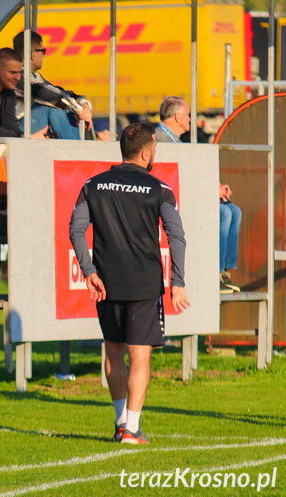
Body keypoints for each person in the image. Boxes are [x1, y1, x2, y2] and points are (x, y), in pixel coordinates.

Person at [69, 123, 190, 445]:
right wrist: (177, 282)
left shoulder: (92, 185)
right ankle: (132, 429)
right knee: (140, 355)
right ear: (147, 152)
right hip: (144, 282)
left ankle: (120, 422)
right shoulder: (159, 189)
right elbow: (176, 236)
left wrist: (88, 270)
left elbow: (76, 230)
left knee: (113, 351)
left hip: (107, 281)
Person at [155, 96, 241, 294]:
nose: (190, 120)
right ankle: (215, 272)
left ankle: (225, 270)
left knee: (234, 211)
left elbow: (187, 172)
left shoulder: (173, 140)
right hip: (172, 201)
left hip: (185, 194)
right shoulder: (160, 140)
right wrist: (211, 190)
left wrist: (215, 186)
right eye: (187, 116)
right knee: (224, 214)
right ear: (177, 117)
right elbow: (173, 179)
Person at [12, 31, 92, 139]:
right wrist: (80, 111)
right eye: (43, 51)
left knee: (67, 109)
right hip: (17, 130)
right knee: (53, 107)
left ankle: (77, 149)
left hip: (30, 124)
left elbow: (60, 92)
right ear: (33, 54)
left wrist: (84, 105)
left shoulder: (35, 76)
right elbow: (54, 96)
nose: (44, 55)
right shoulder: (18, 77)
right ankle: (74, 151)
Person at [0, 48, 47, 139]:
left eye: (20, 72)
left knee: (51, 109)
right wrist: (21, 138)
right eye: (13, 72)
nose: (18, 78)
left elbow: (10, 124)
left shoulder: (8, 90)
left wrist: (21, 137)